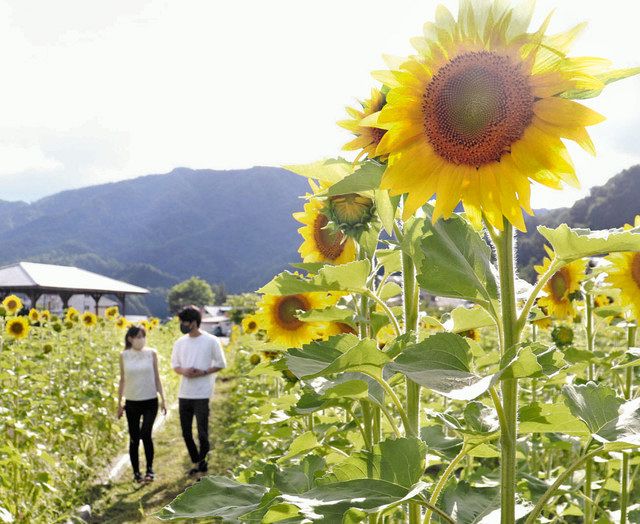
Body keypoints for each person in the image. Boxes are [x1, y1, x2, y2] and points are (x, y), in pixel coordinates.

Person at [171, 306, 227, 475]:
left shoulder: (211, 341)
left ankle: (202, 461)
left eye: (184, 322)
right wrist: (184, 371)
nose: (182, 325)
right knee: (186, 432)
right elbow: (175, 365)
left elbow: (221, 364)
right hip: (184, 392)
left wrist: (203, 372)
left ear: (194, 323)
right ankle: (197, 461)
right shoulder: (180, 343)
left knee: (202, 432)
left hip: (202, 392)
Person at [117, 325, 167, 483]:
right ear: (130, 339)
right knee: (133, 438)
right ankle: (136, 472)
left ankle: (150, 470)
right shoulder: (124, 355)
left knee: (146, 434)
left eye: (143, 336)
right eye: (138, 336)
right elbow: (122, 380)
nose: (141, 340)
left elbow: (157, 378)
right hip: (132, 401)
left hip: (150, 400)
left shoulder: (151, 354)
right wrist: (119, 403)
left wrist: (163, 399)